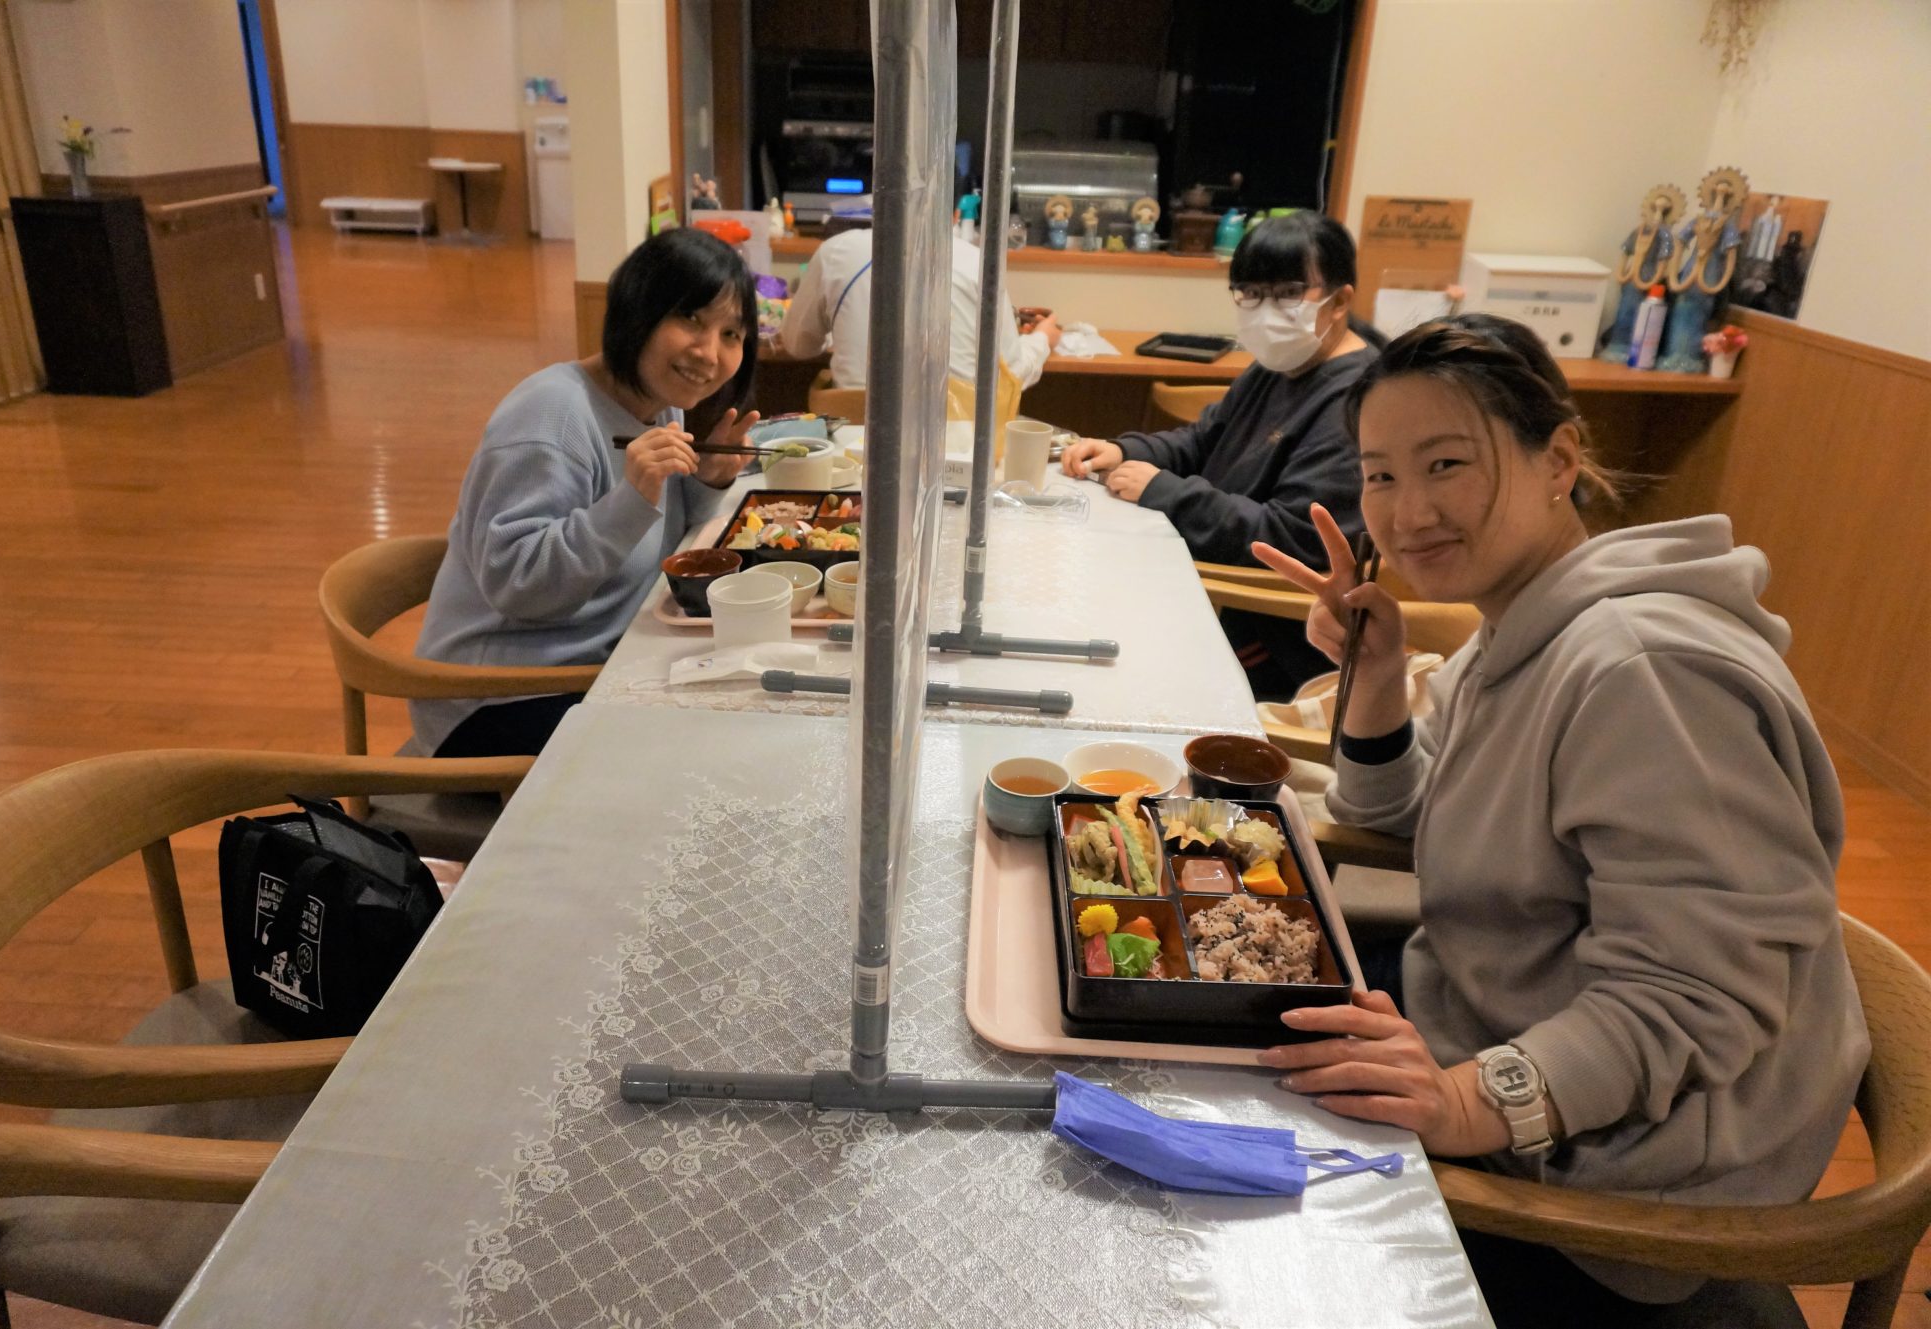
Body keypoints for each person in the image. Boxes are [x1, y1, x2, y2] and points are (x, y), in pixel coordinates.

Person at [1252, 314, 1868, 1325]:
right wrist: (1375, 672)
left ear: (1560, 460)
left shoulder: (1639, 669)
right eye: (1379, 475)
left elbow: (1694, 997)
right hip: (1489, 1021)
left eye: (1445, 464)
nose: (1406, 511)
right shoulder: (1518, 627)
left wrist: (1463, 1101)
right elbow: (1401, 812)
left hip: (1627, 1171)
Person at [410, 228, 762, 758]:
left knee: (752, 697)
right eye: (690, 319)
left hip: (597, 664)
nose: (709, 352)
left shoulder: (660, 403)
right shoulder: (551, 415)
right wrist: (630, 499)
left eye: (731, 333)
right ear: (636, 311)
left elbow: (655, 540)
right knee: (705, 749)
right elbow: (517, 585)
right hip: (494, 697)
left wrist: (709, 478)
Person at [1059, 210, 1378, 697]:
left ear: (1340, 302)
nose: (1266, 311)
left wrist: (1167, 493)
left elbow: (1291, 539)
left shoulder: (1357, 403)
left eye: (1288, 293)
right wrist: (1125, 450)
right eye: (1251, 293)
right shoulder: (1280, 366)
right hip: (1215, 585)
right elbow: (1203, 440)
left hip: (1270, 632)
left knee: (1094, 634)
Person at [777, 225, 1061, 391]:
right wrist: (1042, 339)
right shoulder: (977, 262)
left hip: (852, 440)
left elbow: (798, 345)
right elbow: (1010, 377)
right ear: (954, 216)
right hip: (955, 448)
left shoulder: (838, 251)